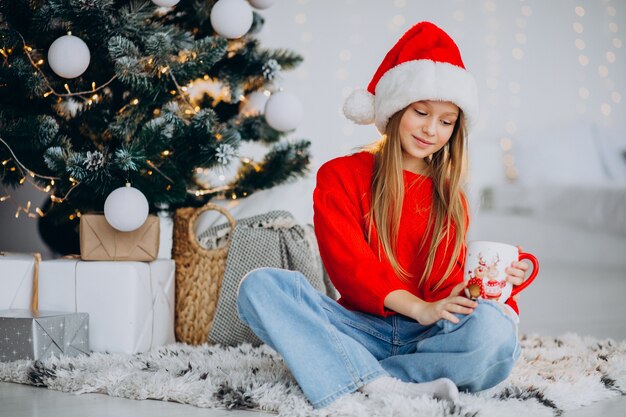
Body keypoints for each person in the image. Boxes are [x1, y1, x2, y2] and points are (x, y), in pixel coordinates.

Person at [236, 21, 531, 409]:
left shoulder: (452, 196)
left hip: (427, 336)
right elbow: (350, 268)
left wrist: (503, 279)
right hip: (359, 328)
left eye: (446, 121)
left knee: (497, 332)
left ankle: (366, 376)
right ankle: (393, 377)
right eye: (421, 112)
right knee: (260, 288)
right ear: (394, 110)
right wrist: (419, 307)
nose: (431, 130)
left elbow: (447, 286)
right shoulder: (340, 175)